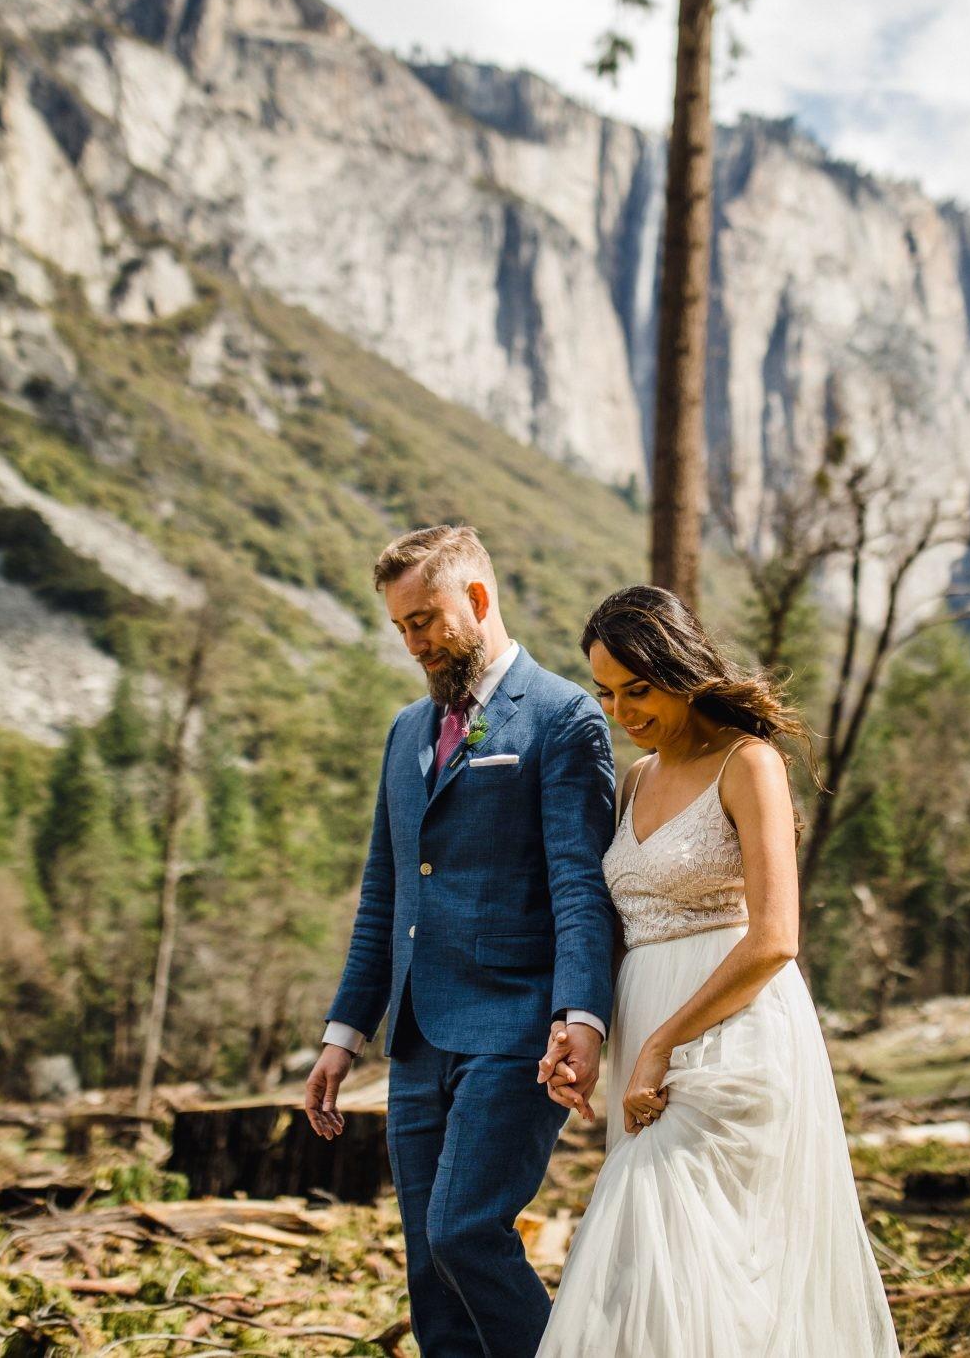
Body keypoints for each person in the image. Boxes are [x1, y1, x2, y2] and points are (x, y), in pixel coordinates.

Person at [535, 584, 900, 1356]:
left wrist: (665, 1042)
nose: (623, 711)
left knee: (676, 1238)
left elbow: (774, 938)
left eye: (639, 688)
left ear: (683, 667)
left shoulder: (749, 763)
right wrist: (578, 1026)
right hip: (645, 1024)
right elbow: (614, 923)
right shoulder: (632, 780)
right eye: (607, 693)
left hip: (732, 1030)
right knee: (675, 1268)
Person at [300, 525, 617, 1358]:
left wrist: (583, 1015)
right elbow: (385, 893)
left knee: (462, 1232)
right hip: (414, 1037)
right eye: (400, 626)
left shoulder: (564, 717)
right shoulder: (406, 731)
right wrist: (344, 1035)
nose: (413, 643)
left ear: (478, 600)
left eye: (425, 620)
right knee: (428, 1272)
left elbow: (582, 887)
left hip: (514, 1029)